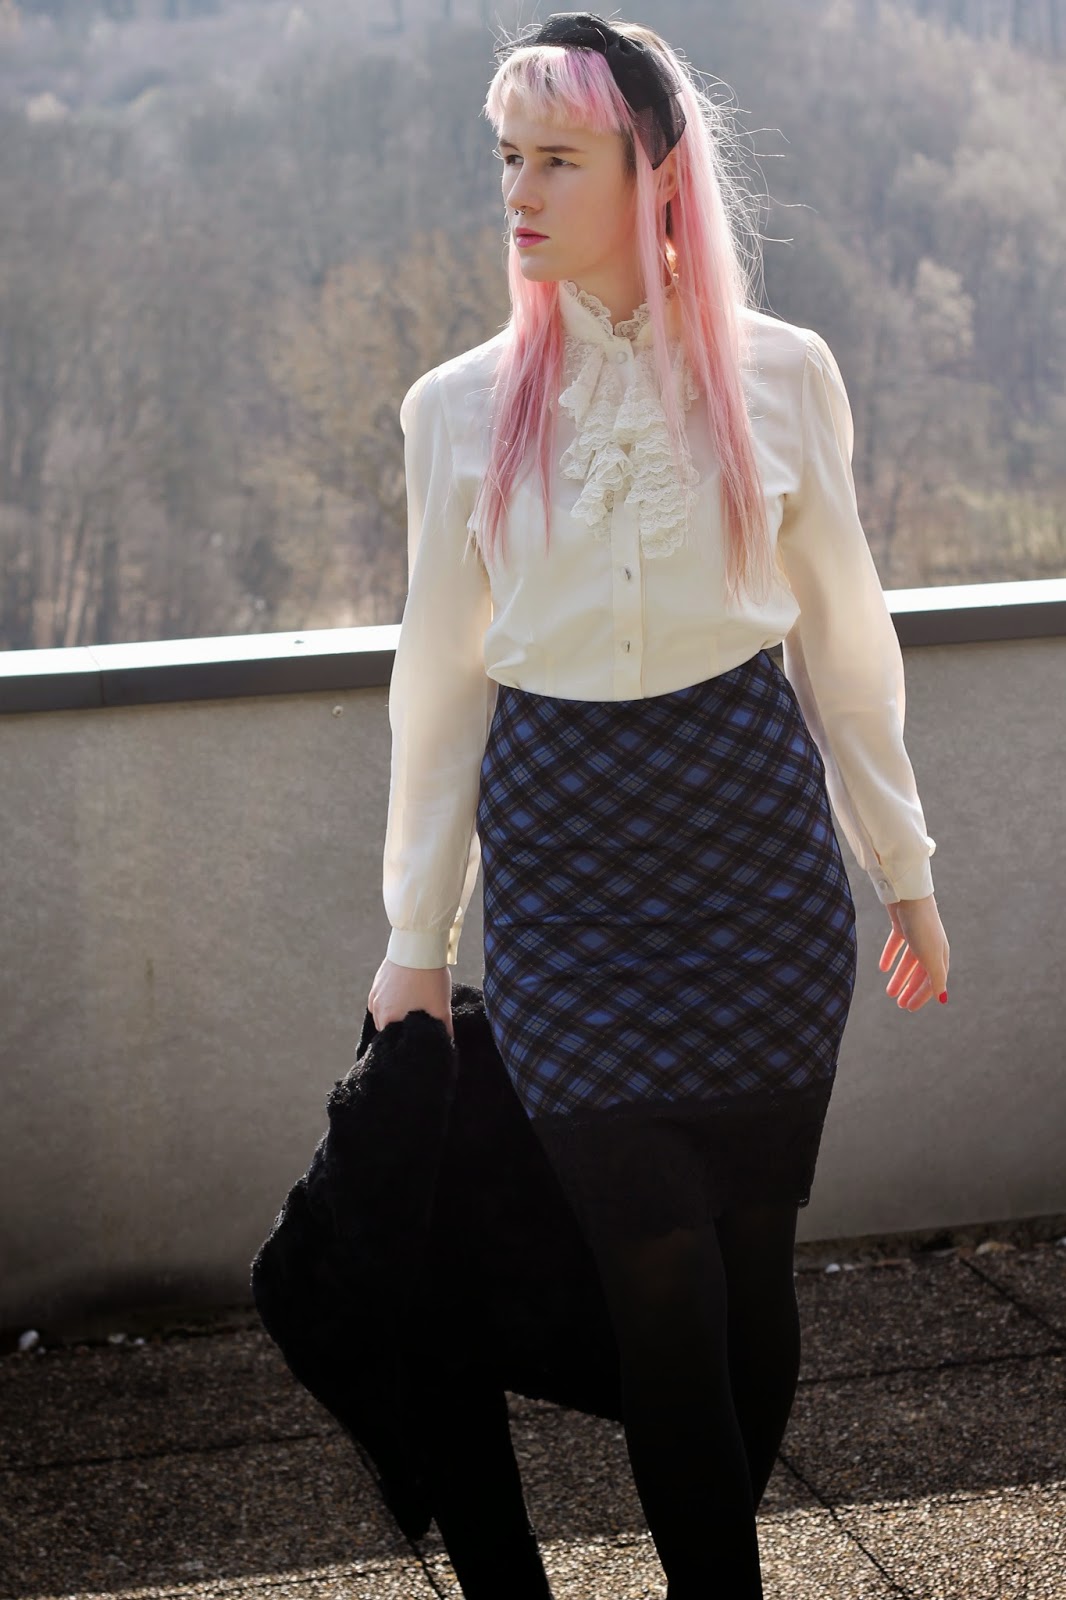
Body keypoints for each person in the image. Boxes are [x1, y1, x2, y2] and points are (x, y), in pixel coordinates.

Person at [368, 13, 951, 1599]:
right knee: (654, 1276)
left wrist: (901, 864)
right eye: (507, 158)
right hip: (564, 881)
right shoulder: (454, 408)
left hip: (755, 864)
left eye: (556, 159)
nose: (518, 191)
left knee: (751, 1268)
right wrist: (416, 937)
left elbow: (844, 644)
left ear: (654, 171)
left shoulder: (782, 374)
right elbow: (439, 688)